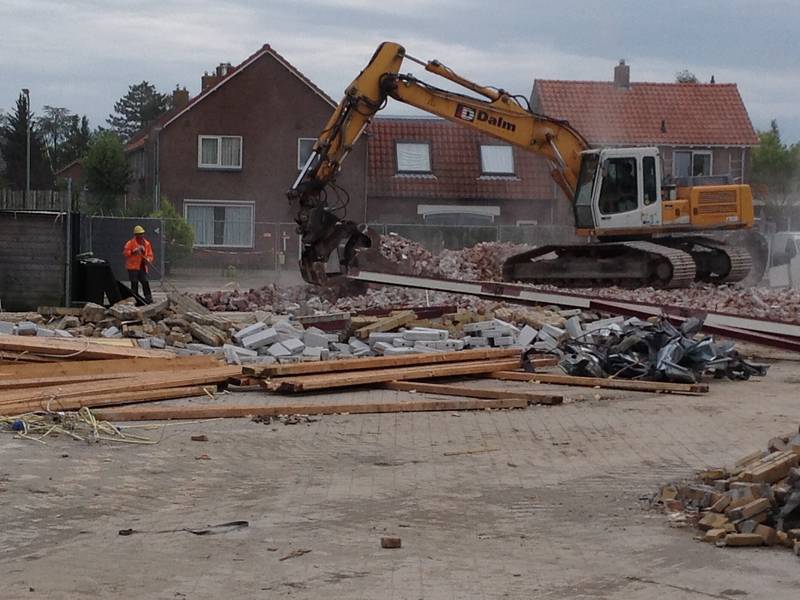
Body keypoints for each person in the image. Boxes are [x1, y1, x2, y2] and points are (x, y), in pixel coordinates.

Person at [123, 225, 155, 305]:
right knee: (134, 283)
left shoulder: (147, 244)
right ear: (135, 235)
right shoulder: (130, 243)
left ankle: (148, 298)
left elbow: (150, 255)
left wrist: (148, 259)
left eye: (141, 234)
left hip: (142, 267)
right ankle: (136, 299)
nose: (140, 235)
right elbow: (125, 253)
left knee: (145, 282)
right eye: (139, 234)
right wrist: (133, 251)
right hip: (132, 267)